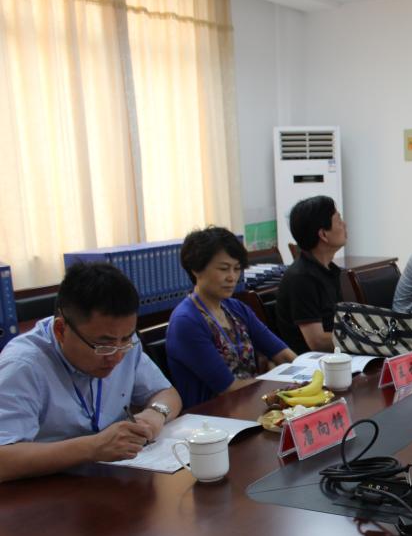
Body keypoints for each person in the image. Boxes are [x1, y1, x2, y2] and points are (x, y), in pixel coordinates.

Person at [0, 263, 182, 482]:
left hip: (109, 481)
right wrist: (92, 447)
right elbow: (3, 460)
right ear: (61, 330)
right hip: (47, 489)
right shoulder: (22, 365)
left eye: (126, 339)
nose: (117, 356)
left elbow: (167, 393)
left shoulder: (122, 342)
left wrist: (155, 414)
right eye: (103, 345)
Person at [166, 227, 296, 409]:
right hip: (213, 417)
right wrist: (273, 378)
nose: (232, 277)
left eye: (237, 269)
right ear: (196, 269)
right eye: (224, 269)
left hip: (252, 403)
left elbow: (284, 355)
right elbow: (229, 388)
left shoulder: (236, 308)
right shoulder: (187, 321)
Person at [275, 195, 347, 353]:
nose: (344, 225)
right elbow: (317, 341)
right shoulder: (301, 278)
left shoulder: (328, 269)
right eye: (338, 220)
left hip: (336, 356)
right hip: (313, 362)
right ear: (323, 234)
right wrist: (362, 340)